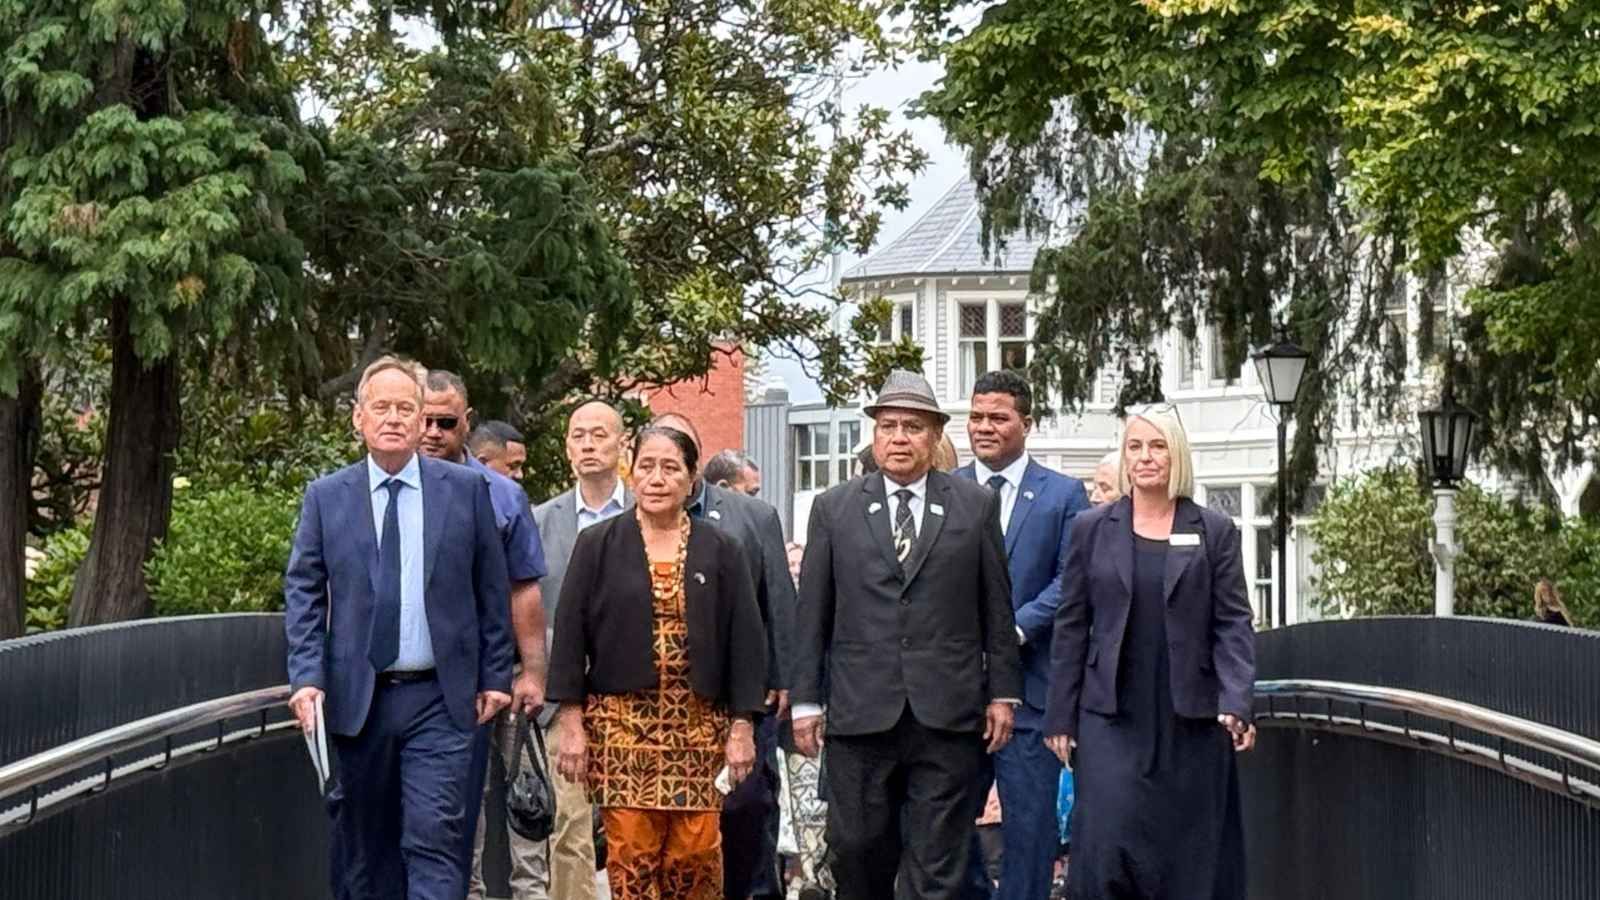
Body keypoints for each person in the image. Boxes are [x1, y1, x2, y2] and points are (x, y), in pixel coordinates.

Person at [284, 356, 514, 900]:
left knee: (434, 839)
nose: (393, 418)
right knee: (365, 855)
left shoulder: (464, 491)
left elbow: (491, 589)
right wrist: (306, 677)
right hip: (357, 700)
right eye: (381, 407)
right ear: (358, 418)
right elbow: (304, 592)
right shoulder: (327, 497)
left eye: (405, 408)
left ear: (419, 421)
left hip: (440, 697)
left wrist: (496, 673)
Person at [791, 369, 1023, 900]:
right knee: (856, 846)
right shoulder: (834, 508)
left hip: (947, 712)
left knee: (937, 860)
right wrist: (805, 700)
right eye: (889, 426)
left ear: (935, 435)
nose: (900, 438)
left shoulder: (973, 505)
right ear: (872, 435)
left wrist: (1002, 694)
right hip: (860, 712)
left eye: (913, 427)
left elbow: (996, 605)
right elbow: (813, 613)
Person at [1043, 406, 1256, 900]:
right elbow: (1072, 624)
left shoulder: (1213, 530)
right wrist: (1060, 716)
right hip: (1111, 715)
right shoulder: (1091, 528)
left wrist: (1237, 699)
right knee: (1109, 839)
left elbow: (1232, 622)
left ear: (1176, 455)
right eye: (1135, 446)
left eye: (1157, 446)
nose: (1145, 457)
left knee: (1185, 852)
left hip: (1192, 718)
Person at [547, 425, 768, 899]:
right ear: (632, 472)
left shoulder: (721, 549)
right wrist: (571, 721)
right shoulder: (598, 544)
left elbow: (747, 643)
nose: (656, 479)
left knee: (696, 856)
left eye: (671, 468)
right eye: (646, 467)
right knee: (632, 857)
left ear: (692, 480)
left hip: (698, 730)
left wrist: (743, 726)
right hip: (622, 731)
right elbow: (568, 637)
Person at [650, 413, 795, 900]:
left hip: (744, 696)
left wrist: (782, 678)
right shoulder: (631, 523)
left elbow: (777, 598)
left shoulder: (751, 517)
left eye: (680, 454)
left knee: (746, 807)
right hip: (659, 701)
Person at [418, 371, 552, 900]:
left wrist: (534, 671)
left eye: (444, 422)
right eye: (422, 419)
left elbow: (525, 589)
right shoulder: (395, 490)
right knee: (459, 812)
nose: (431, 431)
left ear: (465, 422)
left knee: (527, 800)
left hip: (508, 675)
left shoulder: (503, 495)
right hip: (443, 681)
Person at [957, 370, 1090, 900]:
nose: (984, 427)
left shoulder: (1063, 495)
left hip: (1031, 696)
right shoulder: (947, 493)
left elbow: (1072, 579)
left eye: (998, 417)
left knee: (1030, 838)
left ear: (1026, 424)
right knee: (943, 832)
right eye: (976, 417)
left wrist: (1013, 628)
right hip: (954, 696)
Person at [534, 399, 633, 900]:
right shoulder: (539, 520)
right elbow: (526, 608)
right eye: (578, 435)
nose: (589, 444)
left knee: (636, 828)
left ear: (623, 443)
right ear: (567, 446)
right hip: (562, 701)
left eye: (599, 434)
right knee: (567, 831)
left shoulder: (651, 513)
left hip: (637, 700)